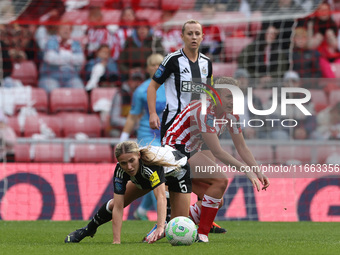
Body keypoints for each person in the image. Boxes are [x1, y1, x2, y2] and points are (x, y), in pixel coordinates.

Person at [159, 76, 270, 242]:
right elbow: (217, 151)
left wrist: (257, 170)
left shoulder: (232, 115)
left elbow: (242, 147)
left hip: (190, 150)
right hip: (174, 150)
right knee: (220, 181)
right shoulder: (204, 110)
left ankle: (174, 221)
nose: (233, 101)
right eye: (229, 96)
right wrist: (246, 170)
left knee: (215, 200)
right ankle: (202, 235)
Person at [64, 141, 192, 244]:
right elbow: (118, 207)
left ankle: (162, 226)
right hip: (145, 176)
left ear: (139, 156)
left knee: (178, 224)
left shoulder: (150, 165)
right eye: (123, 163)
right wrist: (116, 241)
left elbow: (161, 197)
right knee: (116, 203)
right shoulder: (121, 170)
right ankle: (88, 229)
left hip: (178, 173)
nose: (129, 167)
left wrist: (160, 226)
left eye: (132, 161)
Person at [147, 19, 213, 139]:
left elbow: (207, 94)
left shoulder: (207, 63)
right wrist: (152, 113)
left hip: (198, 124)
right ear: (182, 37)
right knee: (174, 158)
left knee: (207, 157)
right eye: (190, 34)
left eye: (197, 34)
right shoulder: (172, 60)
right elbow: (152, 87)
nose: (194, 37)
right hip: (174, 121)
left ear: (202, 37)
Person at [119, 54, 166, 220]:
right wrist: (123, 137)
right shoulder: (141, 90)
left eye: (159, 64)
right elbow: (133, 116)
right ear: (147, 68)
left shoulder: (172, 88)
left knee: (158, 175)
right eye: (152, 64)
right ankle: (164, 218)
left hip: (167, 135)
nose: (155, 67)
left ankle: (142, 209)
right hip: (148, 135)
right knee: (157, 168)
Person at [38, 24, 85, 93]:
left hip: (71, 77)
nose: (66, 30)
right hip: (51, 76)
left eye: (68, 29)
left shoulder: (76, 43)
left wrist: (60, 56)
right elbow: (49, 58)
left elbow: (80, 60)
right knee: (53, 92)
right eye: (63, 28)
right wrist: (71, 57)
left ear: (71, 31)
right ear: (58, 30)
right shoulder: (50, 41)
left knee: (79, 91)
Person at [109, 68, 144, 137]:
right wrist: (132, 124)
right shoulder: (120, 95)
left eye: (139, 80)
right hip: (121, 129)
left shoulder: (144, 96)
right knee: (114, 133)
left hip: (138, 130)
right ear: (128, 81)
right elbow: (114, 119)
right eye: (134, 79)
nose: (137, 83)